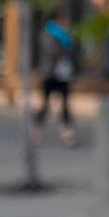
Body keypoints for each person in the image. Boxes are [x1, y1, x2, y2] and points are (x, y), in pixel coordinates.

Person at [33, 17, 79, 147]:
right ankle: (36, 126)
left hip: (64, 74)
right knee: (46, 103)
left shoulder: (67, 34)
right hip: (50, 73)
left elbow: (74, 53)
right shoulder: (48, 33)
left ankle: (67, 131)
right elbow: (51, 51)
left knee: (65, 102)